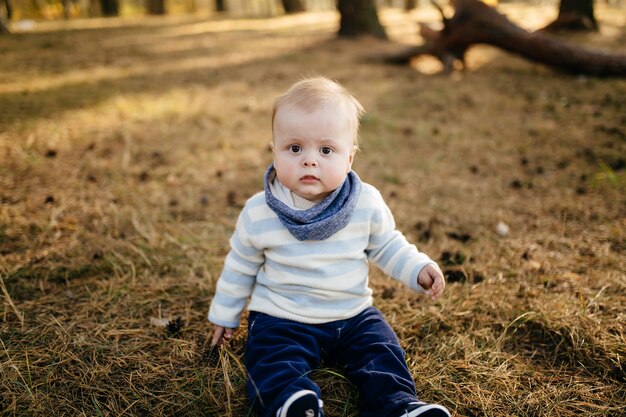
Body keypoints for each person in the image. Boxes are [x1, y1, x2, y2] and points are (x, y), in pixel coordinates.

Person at [208, 76, 450, 417]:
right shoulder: (260, 211)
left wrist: (417, 268)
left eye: (326, 150)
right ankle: (291, 403)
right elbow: (241, 264)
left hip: (352, 314)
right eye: (294, 148)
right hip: (283, 315)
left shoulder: (364, 202)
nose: (310, 160)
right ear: (274, 151)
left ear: (349, 159)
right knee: (270, 358)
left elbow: (387, 245)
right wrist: (226, 313)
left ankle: (399, 407)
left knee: (382, 352)